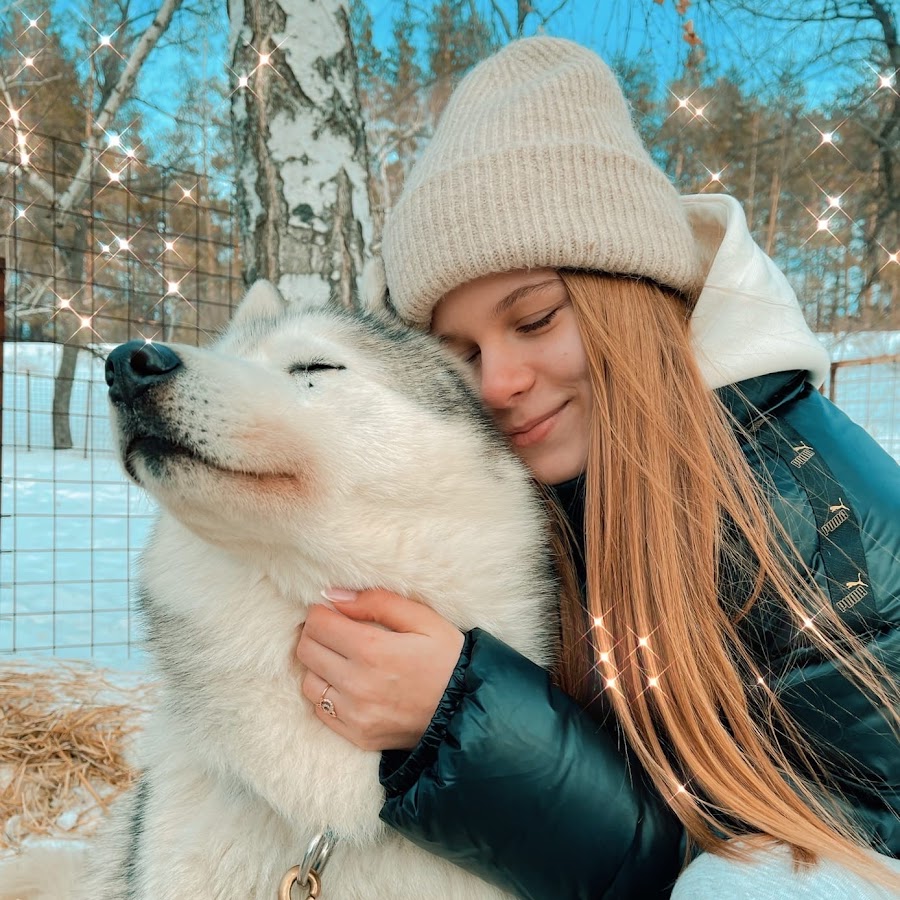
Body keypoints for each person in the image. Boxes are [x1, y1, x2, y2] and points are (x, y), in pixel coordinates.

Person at [295, 37, 900, 898]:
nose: (498, 383)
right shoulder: (546, 484)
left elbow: (830, 855)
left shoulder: (810, 514)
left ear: (628, 299)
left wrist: (467, 721)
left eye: (535, 319)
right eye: (459, 352)